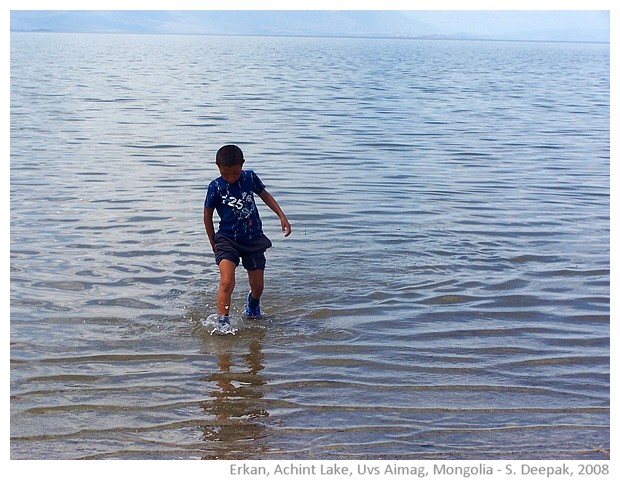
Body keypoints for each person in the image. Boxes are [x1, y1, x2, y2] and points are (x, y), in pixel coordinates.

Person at [204, 145, 292, 331]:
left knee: (258, 286)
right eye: (225, 173)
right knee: (227, 281)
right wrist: (212, 239)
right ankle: (222, 323)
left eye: (235, 173)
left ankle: (252, 304)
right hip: (227, 240)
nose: (230, 177)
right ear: (218, 166)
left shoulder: (249, 178)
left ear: (242, 165)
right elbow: (207, 215)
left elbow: (265, 196)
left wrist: (281, 216)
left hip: (253, 239)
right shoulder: (216, 187)